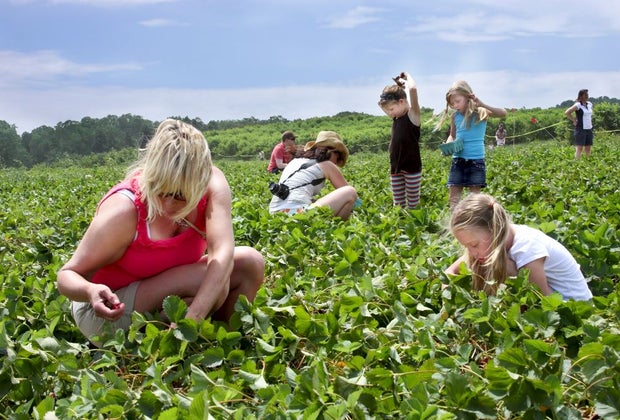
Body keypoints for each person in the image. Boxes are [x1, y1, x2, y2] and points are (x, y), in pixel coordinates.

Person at [57, 119, 265, 346]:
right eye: (160, 190)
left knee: (249, 263)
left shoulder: (213, 184)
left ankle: (220, 342)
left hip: (162, 293)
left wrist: (194, 315)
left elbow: (222, 251)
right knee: (209, 280)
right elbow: (66, 276)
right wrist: (90, 290)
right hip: (106, 313)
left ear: (201, 181)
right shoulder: (124, 211)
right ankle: (174, 342)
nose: (167, 205)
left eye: (180, 195)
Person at [445, 193, 593, 301]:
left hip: (573, 308)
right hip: (551, 299)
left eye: (474, 245)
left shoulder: (526, 248)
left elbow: (542, 302)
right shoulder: (497, 237)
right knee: (487, 262)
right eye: (466, 246)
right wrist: (447, 301)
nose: (471, 252)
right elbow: (449, 272)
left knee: (501, 264)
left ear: (495, 229)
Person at [434, 80, 507, 210]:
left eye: (457, 101)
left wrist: (481, 103)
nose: (455, 105)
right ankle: (455, 222)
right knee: (454, 196)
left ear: (468, 97)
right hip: (458, 159)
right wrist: (449, 144)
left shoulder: (481, 112)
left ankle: (473, 223)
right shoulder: (455, 116)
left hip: (476, 161)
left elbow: (503, 113)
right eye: (452, 103)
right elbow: (453, 135)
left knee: (475, 199)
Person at [268, 131, 358, 220]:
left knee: (314, 201)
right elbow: (355, 200)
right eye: (338, 156)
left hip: (275, 215)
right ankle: (336, 227)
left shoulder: (296, 161)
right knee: (350, 192)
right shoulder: (328, 165)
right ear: (331, 152)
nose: (336, 161)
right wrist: (364, 208)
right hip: (295, 214)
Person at [377, 71, 422, 209]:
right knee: (398, 204)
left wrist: (407, 77)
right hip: (395, 166)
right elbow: (383, 105)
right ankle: (400, 226)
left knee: (413, 202)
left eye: (391, 109)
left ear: (402, 102)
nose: (389, 113)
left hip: (412, 167)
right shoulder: (396, 117)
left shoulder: (412, 115)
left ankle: (415, 225)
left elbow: (413, 89)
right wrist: (398, 87)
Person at [565, 89, 593, 159]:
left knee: (588, 148)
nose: (587, 96)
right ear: (581, 96)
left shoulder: (590, 104)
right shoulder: (578, 105)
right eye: (585, 95)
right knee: (579, 148)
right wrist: (574, 120)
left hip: (589, 129)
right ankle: (577, 163)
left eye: (587, 94)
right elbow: (567, 112)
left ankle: (588, 161)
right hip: (580, 129)